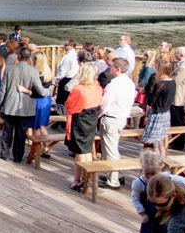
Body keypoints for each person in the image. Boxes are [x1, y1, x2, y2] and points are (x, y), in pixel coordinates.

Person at [0, 47, 48, 164]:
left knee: (7, 131)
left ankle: (4, 153)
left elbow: (2, 89)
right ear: (29, 58)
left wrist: (0, 104)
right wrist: (48, 91)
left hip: (10, 105)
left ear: (19, 56)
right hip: (26, 107)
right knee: (21, 133)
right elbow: (40, 90)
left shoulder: (9, 69)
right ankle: (18, 156)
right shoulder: (33, 71)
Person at [97, 57, 136, 189]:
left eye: (112, 67)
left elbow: (105, 103)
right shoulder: (130, 83)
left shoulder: (113, 85)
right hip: (122, 117)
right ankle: (115, 173)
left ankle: (113, 180)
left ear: (117, 69)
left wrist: (99, 114)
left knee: (110, 150)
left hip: (111, 117)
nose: (111, 69)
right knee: (113, 147)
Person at [66, 63, 103, 192]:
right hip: (92, 120)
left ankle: (81, 178)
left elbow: (69, 105)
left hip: (80, 120)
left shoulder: (79, 89)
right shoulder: (98, 88)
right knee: (85, 150)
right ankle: (83, 177)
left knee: (81, 151)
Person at [141, 59, 175, 154]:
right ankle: (162, 164)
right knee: (161, 142)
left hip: (157, 113)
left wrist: (146, 115)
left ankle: (157, 165)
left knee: (155, 143)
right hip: (166, 113)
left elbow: (151, 101)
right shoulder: (173, 82)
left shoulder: (160, 84)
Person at [170, 46, 185, 129]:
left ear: (181, 55)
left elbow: (175, 81)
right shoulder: (183, 65)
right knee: (175, 121)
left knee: (177, 121)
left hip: (178, 99)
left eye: (176, 53)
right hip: (178, 98)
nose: (174, 54)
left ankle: (178, 141)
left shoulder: (183, 67)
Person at [54, 40, 79, 109]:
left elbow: (62, 70)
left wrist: (57, 80)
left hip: (66, 79)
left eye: (65, 45)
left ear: (70, 46)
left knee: (62, 99)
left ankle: (60, 114)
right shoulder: (76, 55)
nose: (64, 46)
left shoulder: (67, 57)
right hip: (73, 79)